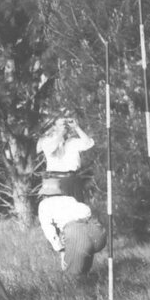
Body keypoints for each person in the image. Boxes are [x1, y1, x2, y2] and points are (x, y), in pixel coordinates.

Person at [36, 116, 106, 286]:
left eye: (66, 124)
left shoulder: (72, 142)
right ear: (53, 126)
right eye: (61, 123)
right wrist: (59, 133)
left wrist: (77, 128)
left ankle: (83, 265)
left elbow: (89, 143)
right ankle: (66, 260)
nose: (65, 126)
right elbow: (51, 148)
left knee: (78, 220)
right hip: (55, 181)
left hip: (73, 180)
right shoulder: (47, 140)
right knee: (59, 221)